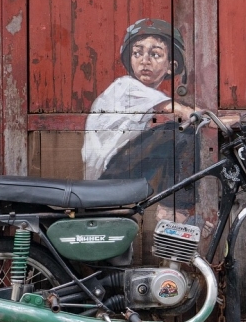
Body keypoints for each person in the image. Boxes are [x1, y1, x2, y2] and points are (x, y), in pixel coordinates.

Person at [82, 18, 197, 219]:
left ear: (171, 66)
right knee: (180, 134)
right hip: (106, 178)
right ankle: (174, 211)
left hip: (114, 173)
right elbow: (181, 111)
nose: (145, 60)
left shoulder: (143, 95)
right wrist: (227, 121)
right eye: (138, 53)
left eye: (155, 54)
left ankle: (175, 210)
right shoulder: (125, 86)